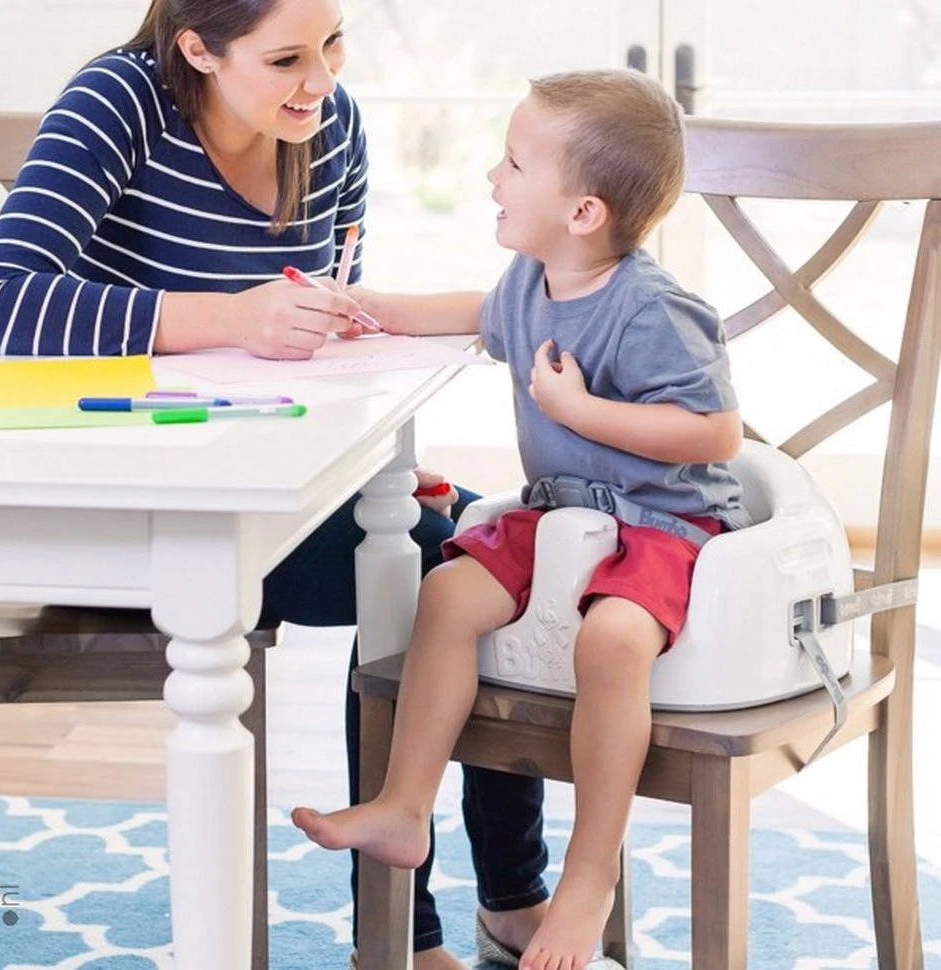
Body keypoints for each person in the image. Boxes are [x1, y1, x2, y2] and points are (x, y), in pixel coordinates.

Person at [0, 1, 551, 965]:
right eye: (285, 59)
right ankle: (406, 935)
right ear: (198, 48)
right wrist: (228, 317)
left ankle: (501, 901)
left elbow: (318, 341)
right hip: (129, 516)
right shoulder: (120, 101)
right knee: (437, 573)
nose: (321, 80)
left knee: (471, 560)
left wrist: (374, 466)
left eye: (333, 43)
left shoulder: (330, 125)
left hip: (263, 493)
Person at [291, 68, 751, 970]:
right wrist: (373, 311)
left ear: (583, 212)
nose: (491, 177)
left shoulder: (653, 309)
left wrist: (582, 413)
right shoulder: (531, 279)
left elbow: (716, 433)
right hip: (562, 513)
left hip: (662, 525)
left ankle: (587, 879)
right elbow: (476, 312)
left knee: (610, 643)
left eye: (512, 164)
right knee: (446, 593)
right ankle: (404, 807)